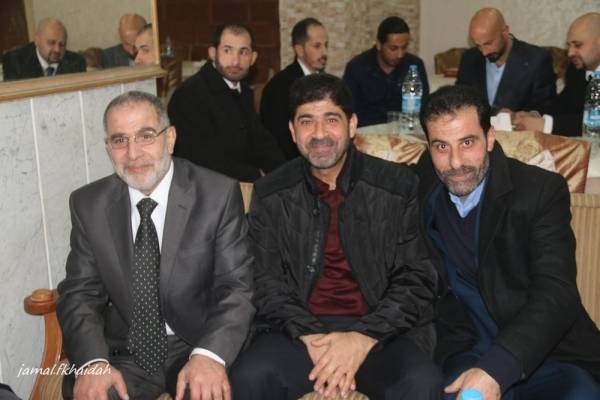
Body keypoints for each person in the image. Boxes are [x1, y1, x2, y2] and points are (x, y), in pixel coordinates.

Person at [229, 73, 443, 400]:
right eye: (306, 122)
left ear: (352, 125)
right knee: (248, 378)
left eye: (331, 119)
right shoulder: (271, 192)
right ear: (292, 131)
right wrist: (311, 336)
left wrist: (362, 337)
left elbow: (417, 276)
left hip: (380, 332)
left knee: (422, 383)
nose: (319, 134)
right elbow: (262, 279)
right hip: (296, 332)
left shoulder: (397, 186)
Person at [56, 91, 254, 400]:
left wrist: (209, 355)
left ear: (170, 138)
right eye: (119, 140)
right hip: (123, 352)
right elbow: (80, 293)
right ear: (108, 148)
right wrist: (94, 362)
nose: (133, 153)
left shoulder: (217, 194)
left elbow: (237, 288)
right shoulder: (88, 204)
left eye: (146, 136)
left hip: (195, 343)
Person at [415, 85, 600, 400]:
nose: (455, 162)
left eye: (468, 142)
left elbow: (556, 292)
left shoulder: (538, 191)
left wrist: (498, 368)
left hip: (544, 353)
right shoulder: (424, 186)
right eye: (441, 146)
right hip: (467, 348)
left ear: (490, 138)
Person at [168, 23, 285, 182]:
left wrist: (283, 172)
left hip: (243, 182)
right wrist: (257, 176)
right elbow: (201, 160)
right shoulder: (189, 94)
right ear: (213, 53)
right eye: (227, 50)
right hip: (206, 188)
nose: (235, 61)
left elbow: (261, 141)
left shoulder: (243, 90)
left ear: (253, 58)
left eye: (243, 52)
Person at [513, 12, 600, 137]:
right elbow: (563, 105)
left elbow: (596, 125)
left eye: (578, 45)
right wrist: (535, 115)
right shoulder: (576, 70)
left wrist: (545, 125)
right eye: (569, 46)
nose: (570, 53)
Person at [456, 8, 556, 115]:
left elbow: (547, 106)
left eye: (488, 43)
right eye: (478, 45)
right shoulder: (469, 58)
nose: (484, 52)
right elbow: (459, 100)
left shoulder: (537, 59)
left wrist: (526, 117)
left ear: (504, 32)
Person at [260, 17, 328, 160]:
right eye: (317, 46)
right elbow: (279, 137)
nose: (324, 52)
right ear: (299, 50)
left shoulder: (326, 82)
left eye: (325, 45)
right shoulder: (280, 85)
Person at [342, 16, 429, 127]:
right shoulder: (357, 68)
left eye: (404, 47)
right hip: (367, 130)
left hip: (406, 129)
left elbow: (424, 106)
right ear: (379, 44)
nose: (400, 54)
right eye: (393, 48)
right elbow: (348, 110)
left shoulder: (414, 66)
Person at [2, 17, 86, 81]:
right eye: (51, 43)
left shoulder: (76, 63)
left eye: (62, 44)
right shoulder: (15, 61)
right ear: (36, 40)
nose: (57, 49)